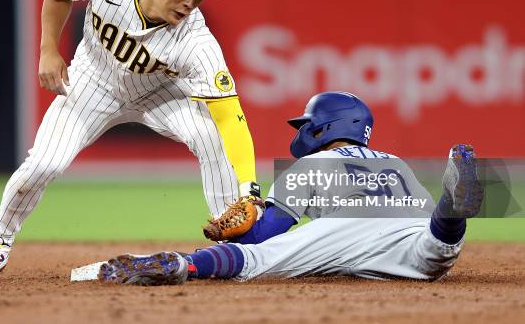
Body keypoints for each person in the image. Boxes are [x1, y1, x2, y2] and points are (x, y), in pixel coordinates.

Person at [0, 0, 260, 280]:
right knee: (45, 163)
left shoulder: (196, 40)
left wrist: (249, 188)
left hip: (160, 94)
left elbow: (230, 116)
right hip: (93, 83)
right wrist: (48, 49)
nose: (191, 1)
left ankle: (235, 250)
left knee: (210, 134)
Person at [93, 91, 485, 285]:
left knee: (258, 261)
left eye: (308, 124)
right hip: (414, 233)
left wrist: (245, 227)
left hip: (347, 231)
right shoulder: (396, 163)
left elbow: (267, 233)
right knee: (435, 252)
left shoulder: (314, 164)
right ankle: (451, 215)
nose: (303, 132)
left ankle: (185, 264)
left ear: (328, 126)